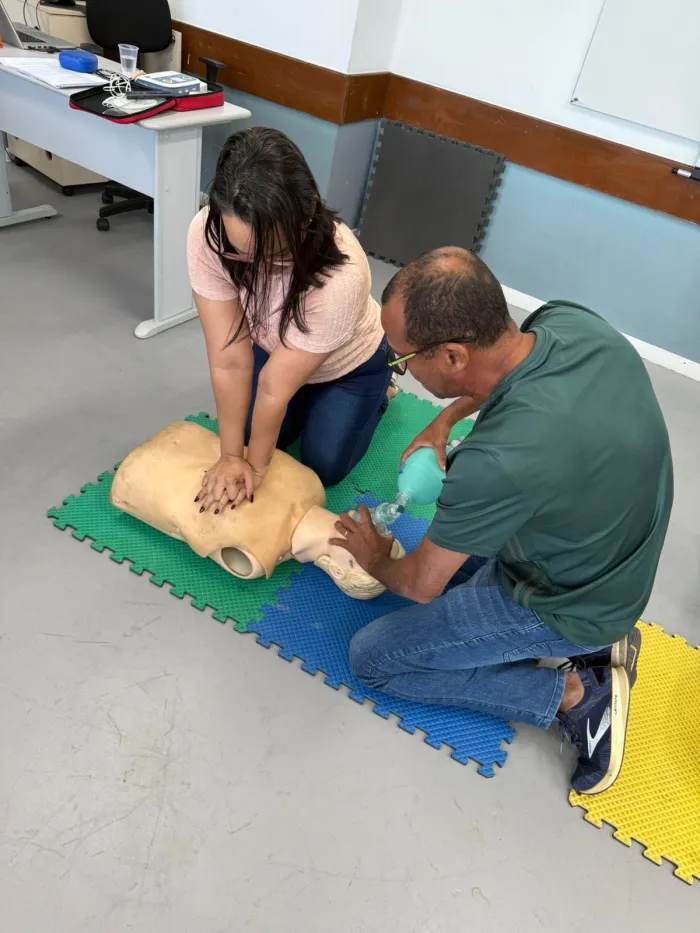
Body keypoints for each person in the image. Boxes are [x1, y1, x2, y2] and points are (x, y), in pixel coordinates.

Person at [332, 247, 673, 795]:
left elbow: (421, 585)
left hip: (572, 600)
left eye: (401, 360)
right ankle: (599, 640)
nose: (400, 372)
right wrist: (443, 420)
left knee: (374, 658)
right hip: (618, 550)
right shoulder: (571, 323)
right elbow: (500, 381)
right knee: (454, 558)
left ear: (450, 357)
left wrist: (374, 558)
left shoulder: (496, 462)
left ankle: (576, 696)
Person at [187, 127, 390, 512]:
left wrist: (257, 470)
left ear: (308, 212)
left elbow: (273, 389)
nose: (255, 267)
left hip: (350, 365)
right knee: (243, 436)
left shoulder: (342, 277)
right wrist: (232, 457)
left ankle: (381, 395)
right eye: (240, 253)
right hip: (275, 347)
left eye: (272, 254)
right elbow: (229, 357)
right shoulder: (208, 234)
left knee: (323, 466)